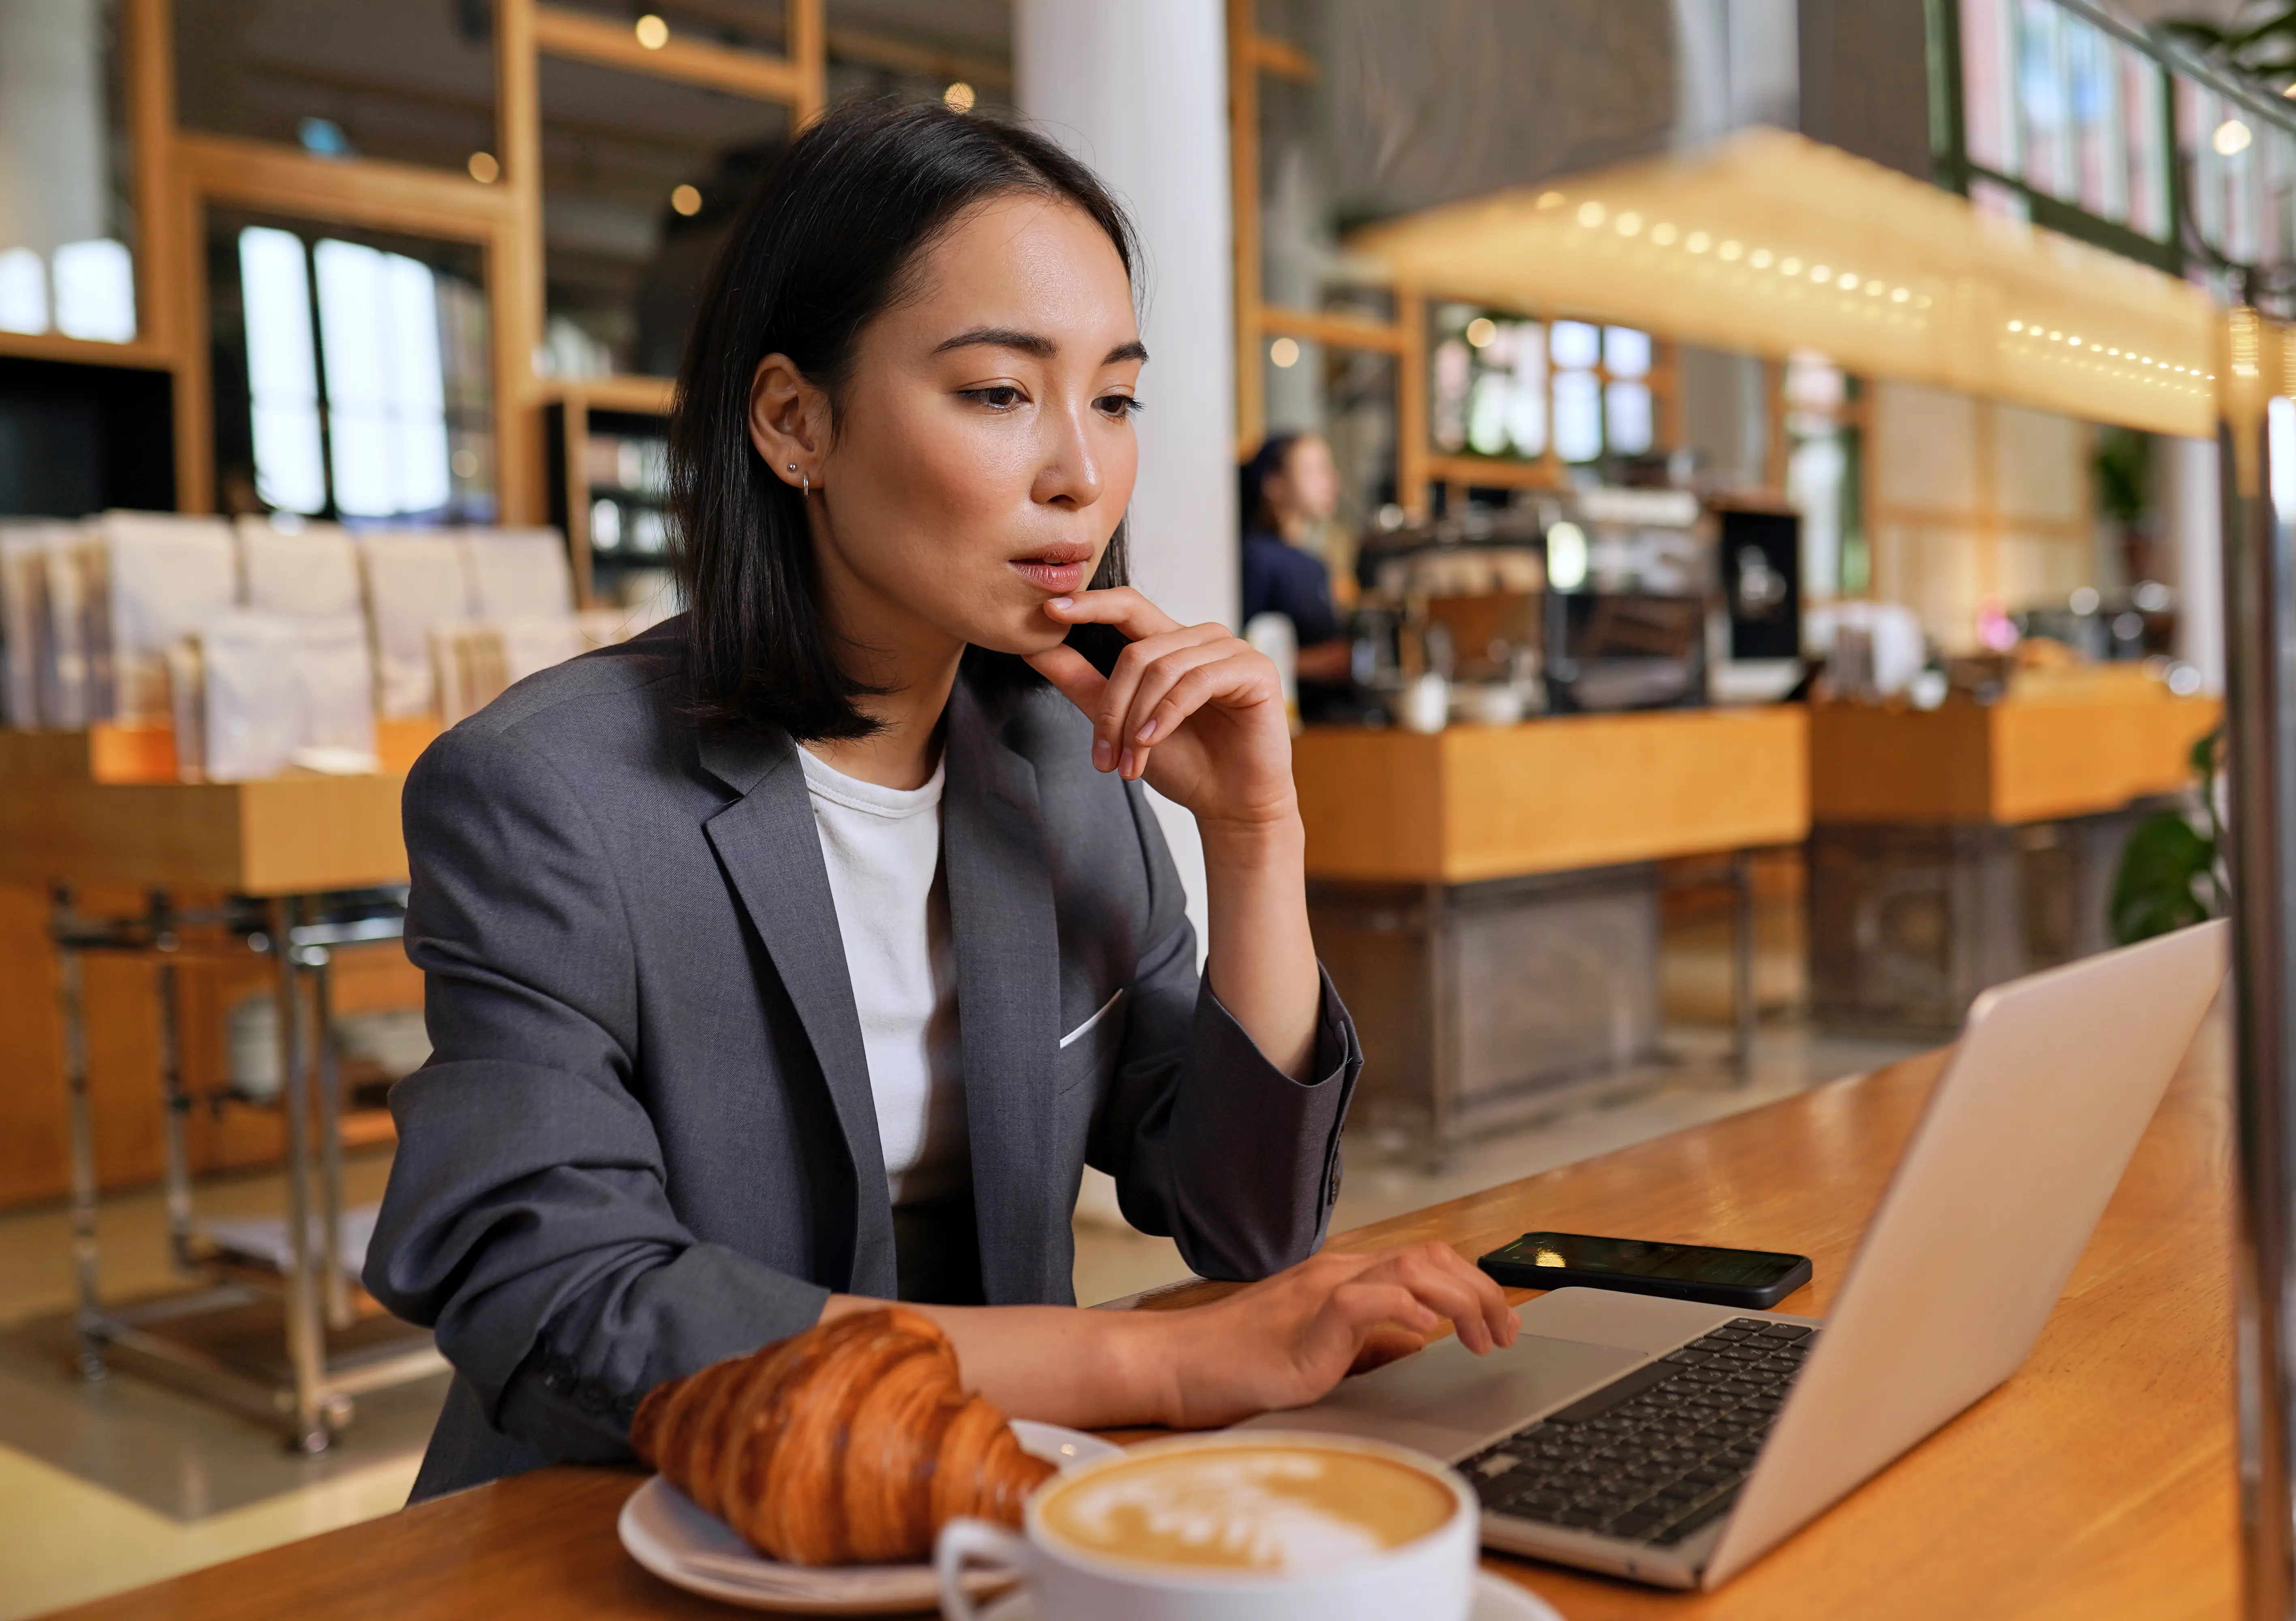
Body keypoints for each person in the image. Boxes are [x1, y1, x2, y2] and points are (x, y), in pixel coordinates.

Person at [366, 99, 1513, 1501]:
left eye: (1114, 397)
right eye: (998, 392)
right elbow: (565, 1306)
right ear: (794, 422)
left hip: (965, 1510)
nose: (1079, 473)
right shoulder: (550, 793)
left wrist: (1255, 838)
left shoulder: (1054, 764)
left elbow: (1245, 1217)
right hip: (623, 1529)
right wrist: (1146, 1367)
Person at [1239, 430, 1357, 699]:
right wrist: (1314, 664)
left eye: (1329, 469)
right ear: (1273, 483)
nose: (1330, 480)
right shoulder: (1257, 557)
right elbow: (1239, 645)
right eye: (1314, 470)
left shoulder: (1317, 564)